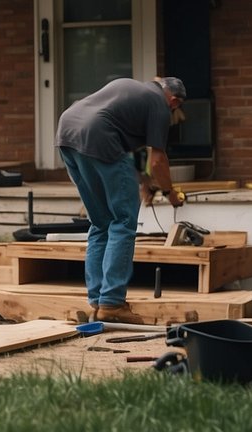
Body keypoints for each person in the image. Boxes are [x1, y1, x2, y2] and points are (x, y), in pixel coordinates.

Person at [56, 75, 186, 324]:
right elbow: (158, 160)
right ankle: (113, 304)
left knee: (101, 222)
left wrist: (146, 183)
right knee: (123, 222)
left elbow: (123, 158)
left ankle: (97, 301)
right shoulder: (159, 104)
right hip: (96, 136)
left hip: (68, 132)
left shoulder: (131, 92)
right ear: (174, 100)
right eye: (175, 108)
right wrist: (170, 193)